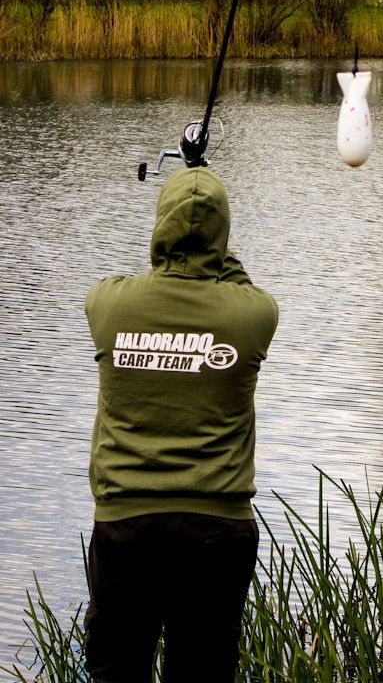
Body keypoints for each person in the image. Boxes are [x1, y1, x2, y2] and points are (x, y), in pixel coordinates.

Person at [83, 166, 278, 683]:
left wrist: (176, 234)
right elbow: (233, 280)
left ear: (159, 226)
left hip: (125, 525)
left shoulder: (106, 303)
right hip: (218, 529)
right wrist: (210, 246)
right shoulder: (255, 315)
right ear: (223, 234)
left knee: (115, 670)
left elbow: (150, 272)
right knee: (203, 672)